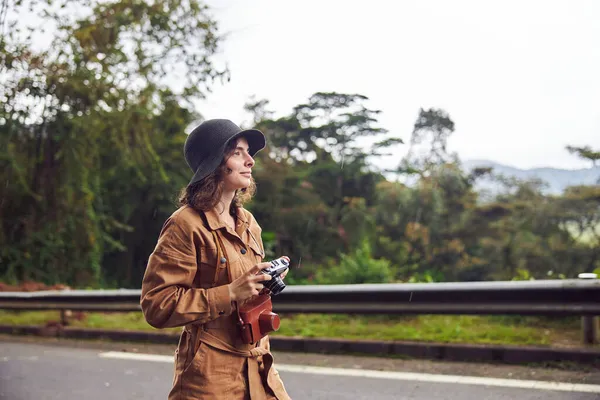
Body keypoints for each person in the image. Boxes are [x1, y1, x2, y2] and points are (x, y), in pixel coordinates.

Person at [140, 119, 292, 400]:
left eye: (249, 153)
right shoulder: (185, 224)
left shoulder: (248, 221)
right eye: (237, 152)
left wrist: (263, 281)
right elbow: (157, 306)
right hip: (210, 377)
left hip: (259, 365)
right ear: (214, 164)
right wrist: (230, 293)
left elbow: (244, 285)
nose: (250, 161)